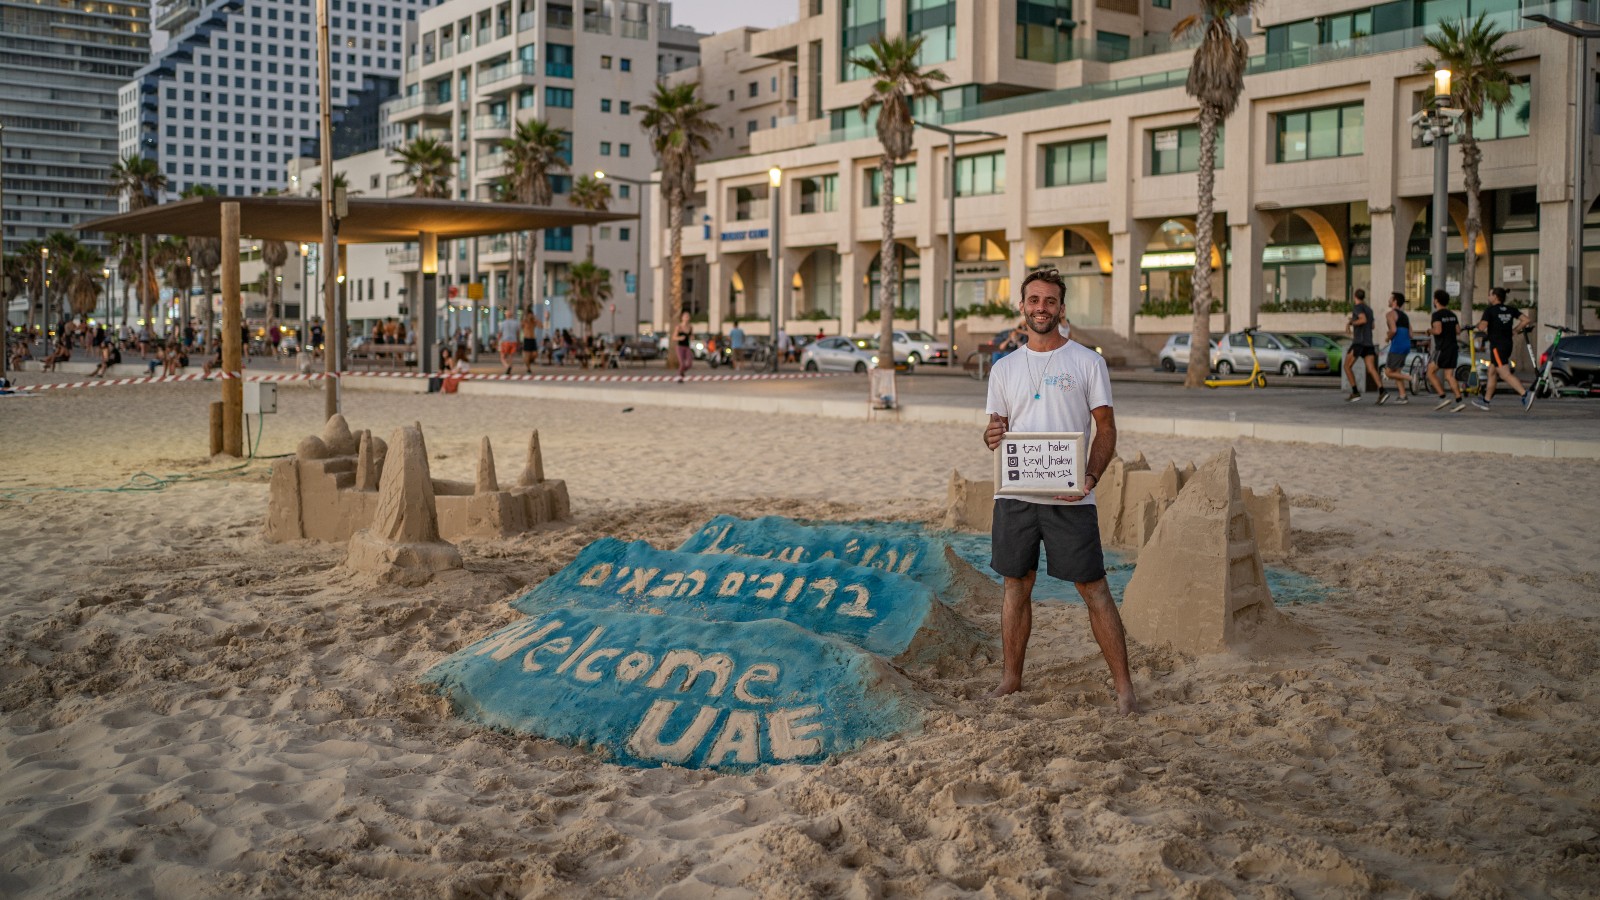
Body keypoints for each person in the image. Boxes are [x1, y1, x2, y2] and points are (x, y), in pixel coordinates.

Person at [981, 267, 1138, 715]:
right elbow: (996, 431)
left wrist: (1089, 479)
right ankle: (1011, 679)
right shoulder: (1004, 368)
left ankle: (1124, 687)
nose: (1041, 308)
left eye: (1050, 301)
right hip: (1015, 496)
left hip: (1072, 496)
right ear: (1022, 307)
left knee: (1094, 589)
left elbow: (1105, 429)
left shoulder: (1088, 362)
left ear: (1061, 308)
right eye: (1034, 300)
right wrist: (991, 436)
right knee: (1016, 586)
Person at [1472, 286, 1534, 411]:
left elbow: (1482, 327)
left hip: (1497, 346)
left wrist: (1476, 325)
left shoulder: (1490, 310)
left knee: (1505, 374)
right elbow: (1526, 320)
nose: (1488, 297)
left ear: (1495, 297)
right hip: (1507, 344)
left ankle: (1525, 394)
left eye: (1490, 295)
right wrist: (1515, 330)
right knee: (1492, 372)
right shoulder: (1510, 309)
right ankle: (1486, 401)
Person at [1425, 290, 1465, 412]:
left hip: (1442, 348)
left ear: (1436, 300)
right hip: (1453, 347)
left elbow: (1438, 331)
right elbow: (1458, 331)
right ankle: (1459, 401)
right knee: (1449, 376)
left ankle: (1442, 397)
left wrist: (1429, 330)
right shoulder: (1452, 315)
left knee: (1430, 372)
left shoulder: (1437, 315)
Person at [1343, 288, 1384, 402]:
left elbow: (1363, 320)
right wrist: (1355, 320)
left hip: (1359, 343)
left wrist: (1351, 323)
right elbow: (1372, 326)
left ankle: (1355, 392)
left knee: (1346, 366)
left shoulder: (1357, 307)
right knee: (1371, 369)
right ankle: (1382, 391)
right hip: (1368, 342)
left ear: (1355, 296)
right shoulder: (1369, 309)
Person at [1378, 292, 1413, 405]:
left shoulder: (1390, 314)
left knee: (1388, 372)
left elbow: (1393, 330)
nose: (1388, 300)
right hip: (1406, 345)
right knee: (1396, 371)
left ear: (1395, 301)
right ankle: (1403, 396)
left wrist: (1388, 338)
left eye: (1390, 299)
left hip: (1397, 346)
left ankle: (1410, 377)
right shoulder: (1405, 316)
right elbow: (1411, 334)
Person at [495, 309, 520, 374]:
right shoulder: (516, 323)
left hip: (505, 341)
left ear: (506, 315)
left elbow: (500, 334)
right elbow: (518, 334)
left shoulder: (503, 323)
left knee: (502, 357)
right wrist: (518, 342)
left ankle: (507, 366)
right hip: (514, 341)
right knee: (511, 356)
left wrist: (497, 341)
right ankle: (510, 368)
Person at [673, 310, 694, 382]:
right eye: (685, 316)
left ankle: (681, 372)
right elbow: (674, 337)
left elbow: (691, 336)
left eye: (688, 317)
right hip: (680, 347)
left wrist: (692, 338)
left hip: (687, 347)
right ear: (682, 318)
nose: (686, 318)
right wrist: (680, 338)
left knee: (689, 364)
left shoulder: (690, 327)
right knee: (682, 363)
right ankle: (680, 376)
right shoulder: (679, 327)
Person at [519, 308, 540, 373]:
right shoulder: (524, 322)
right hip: (527, 339)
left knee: (535, 354)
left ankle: (528, 362)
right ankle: (528, 369)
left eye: (532, 315)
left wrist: (536, 319)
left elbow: (541, 326)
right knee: (527, 355)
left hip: (533, 339)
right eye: (529, 315)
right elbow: (520, 328)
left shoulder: (534, 322)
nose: (531, 316)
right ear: (527, 315)